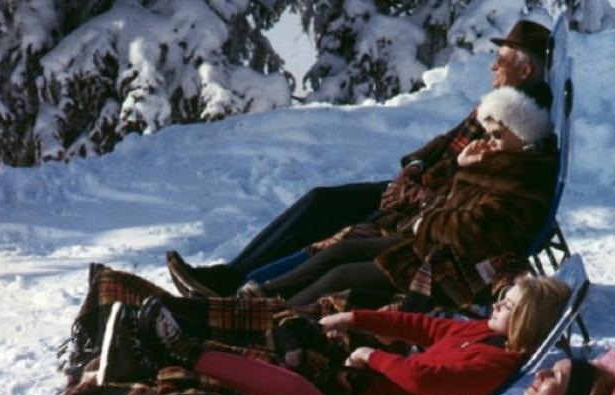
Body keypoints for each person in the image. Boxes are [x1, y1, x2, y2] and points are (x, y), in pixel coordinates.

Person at [165, 20, 552, 301]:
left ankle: (239, 287)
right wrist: (414, 167)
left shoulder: (519, 117)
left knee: (336, 234)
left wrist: (416, 195)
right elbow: (443, 144)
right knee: (321, 200)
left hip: (426, 205)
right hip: (418, 188)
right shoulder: (499, 103)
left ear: (526, 68)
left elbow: (480, 185)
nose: (492, 67)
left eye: (500, 61)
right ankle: (230, 275)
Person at [95, 273, 573, 395]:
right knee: (286, 320)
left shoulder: (491, 362)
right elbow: (424, 324)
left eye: (507, 305)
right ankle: (156, 318)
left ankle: (162, 351)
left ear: (525, 325)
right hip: (366, 375)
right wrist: (357, 319)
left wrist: (371, 356)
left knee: (275, 357)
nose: (496, 302)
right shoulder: (481, 334)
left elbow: (421, 381)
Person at [243, 84, 556, 310]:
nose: (488, 141)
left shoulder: (523, 180)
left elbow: (476, 229)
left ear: (524, 134)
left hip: (453, 265)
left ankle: (272, 318)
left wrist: (426, 224)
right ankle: (261, 295)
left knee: (342, 275)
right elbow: (456, 201)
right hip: (434, 244)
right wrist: (463, 168)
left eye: (497, 136)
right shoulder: (505, 162)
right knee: (343, 251)